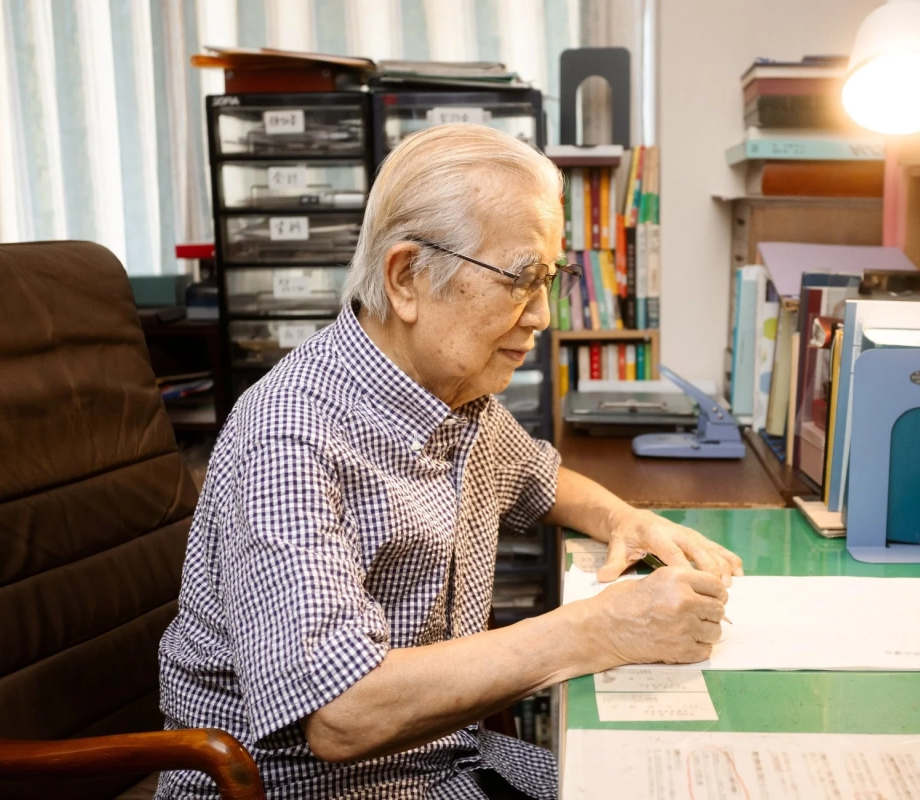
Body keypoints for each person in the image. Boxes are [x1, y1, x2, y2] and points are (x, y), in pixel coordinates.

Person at [156, 124, 741, 800]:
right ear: (406, 278)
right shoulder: (289, 436)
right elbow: (341, 715)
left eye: (551, 279)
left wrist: (623, 517)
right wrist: (601, 629)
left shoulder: (454, 392)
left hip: (443, 761)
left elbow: (542, 479)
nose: (543, 315)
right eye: (522, 279)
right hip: (309, 788)